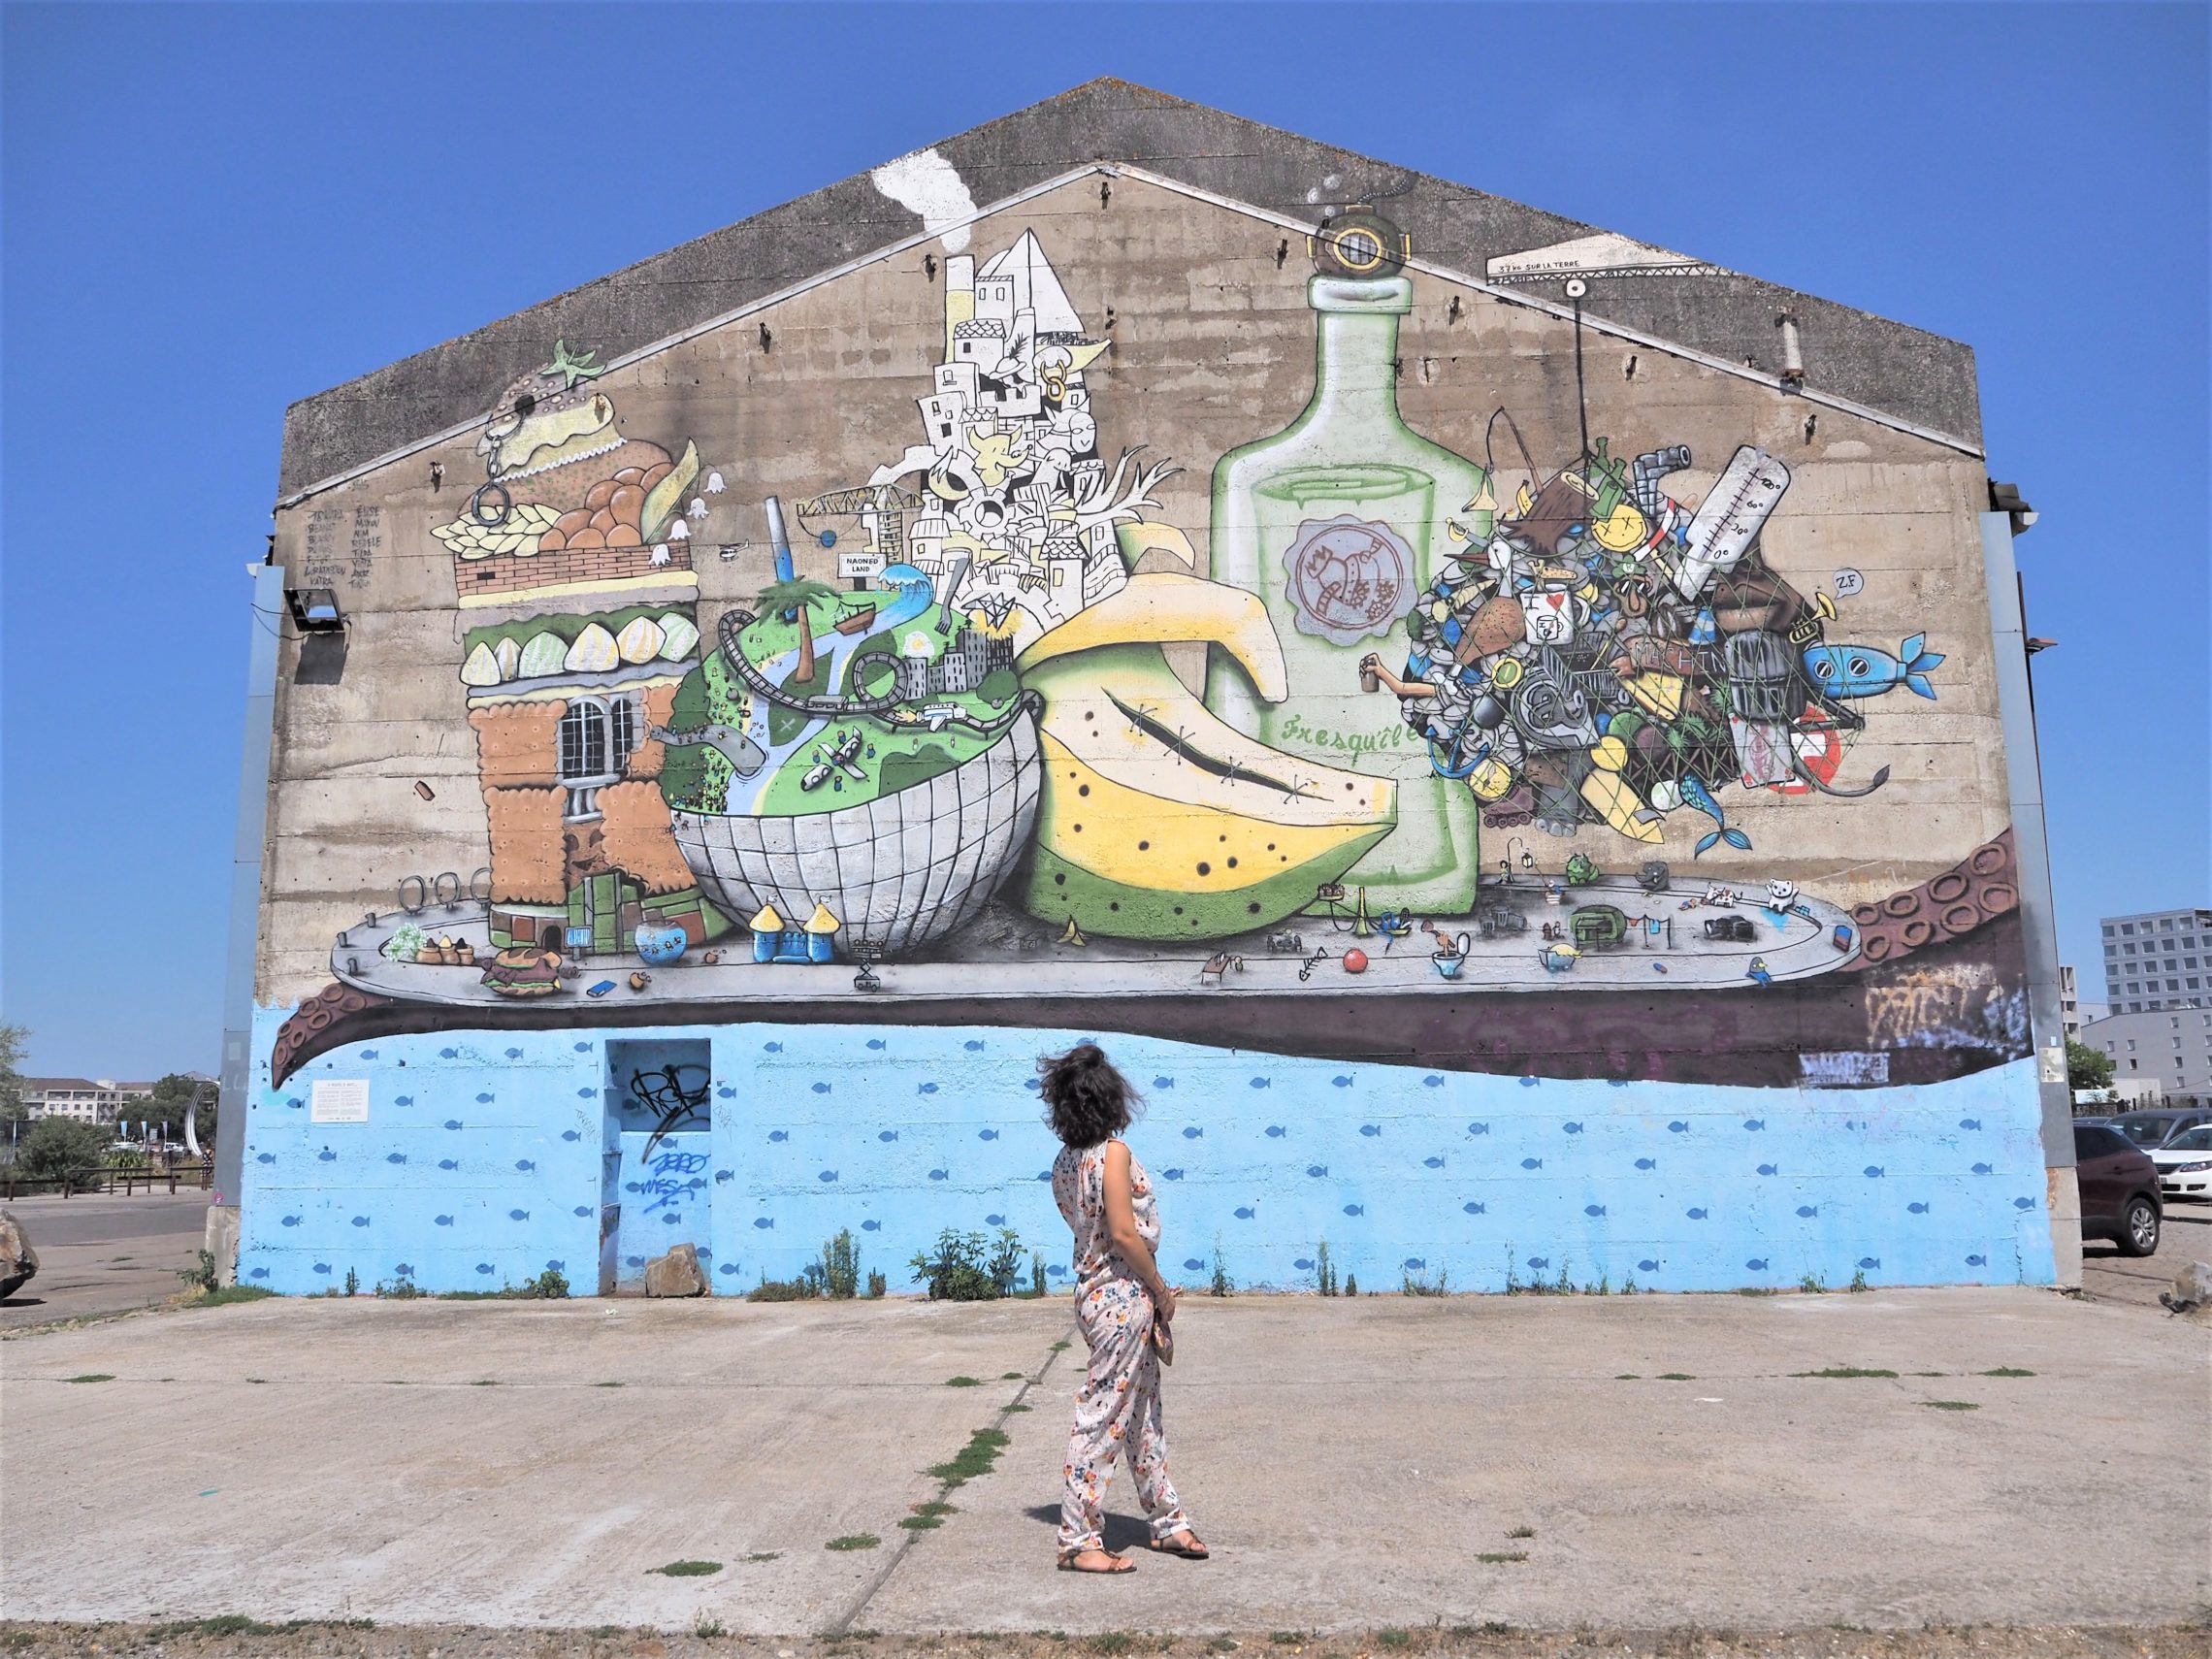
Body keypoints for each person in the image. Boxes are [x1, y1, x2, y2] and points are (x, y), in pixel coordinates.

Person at [1043, 1043, 1208, 1574]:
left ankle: (1166, 1521)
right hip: (1122, 1295)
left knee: (1141, 1417)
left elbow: (1085, 1231)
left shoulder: (1064, 1164)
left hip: (1097, 1296)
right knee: (1102, 1416)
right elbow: (1121, 1232)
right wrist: (1159, 1288)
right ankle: (1078, 1539)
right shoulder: (1111, 1153)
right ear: (1109, 1099)